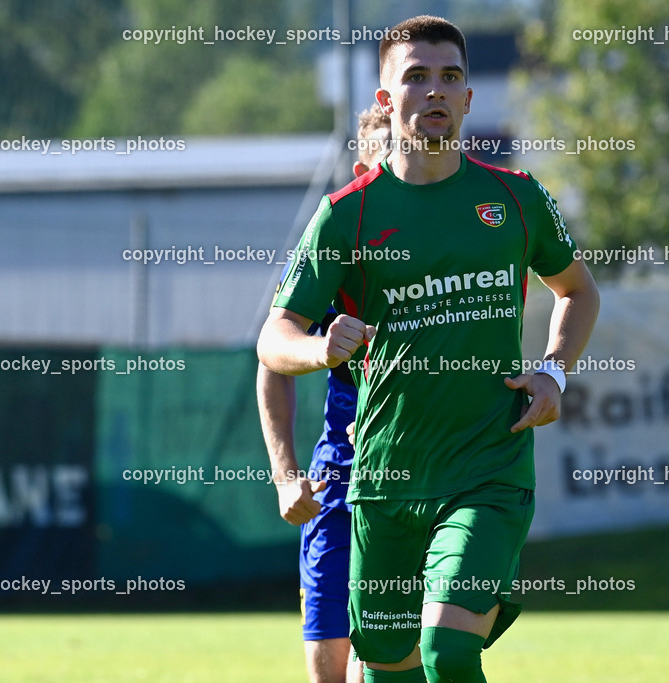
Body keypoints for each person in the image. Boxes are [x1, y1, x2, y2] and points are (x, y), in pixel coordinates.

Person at [258, 15, 599, 683]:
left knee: (448, 650)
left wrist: (555, 370)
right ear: (386, 100)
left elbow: (578, 291)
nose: (435, 91)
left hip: (487, 472)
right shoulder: (346, 215)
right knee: (384, 671)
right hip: (383, 481)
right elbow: (274, 338)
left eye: (450, 77)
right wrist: (320, 349)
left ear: (469, 97)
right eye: (416, 77)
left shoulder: (517, 198)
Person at [257, 104, 391, 683]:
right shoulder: (338, 242)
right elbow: (271, 359)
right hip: (339, 476)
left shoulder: (451, 243)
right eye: (389, 152)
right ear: (364, 164)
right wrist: (287, 475)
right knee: (329, 659)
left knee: (388, 652)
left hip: (421, 476)